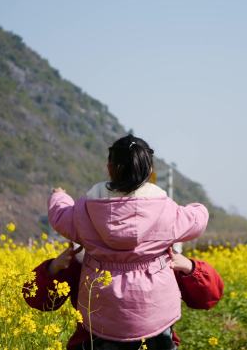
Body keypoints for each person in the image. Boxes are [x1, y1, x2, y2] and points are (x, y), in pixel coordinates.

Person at [48, 134, 209, 344]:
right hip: (155, 317)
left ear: (110, 167)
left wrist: (59, 196)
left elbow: (59, 215)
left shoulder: (84, 210)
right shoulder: (166, 211)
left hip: (100, 316)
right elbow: (198, 220)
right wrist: (198, 207)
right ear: (149, 171)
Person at [24, 245, 224, 350]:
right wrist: (54, 268)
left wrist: (190, 268)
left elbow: (208, 296)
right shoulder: (83, 258)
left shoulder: (163, 257)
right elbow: (37, 298)